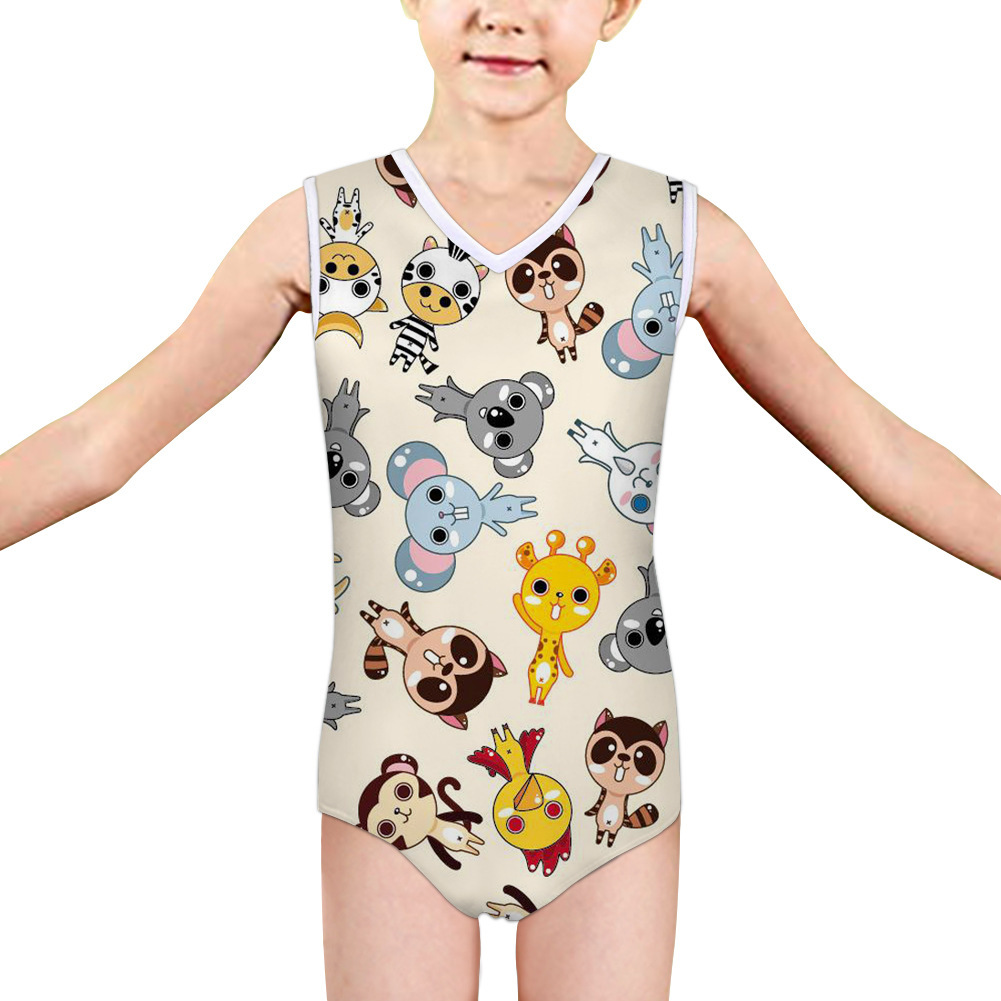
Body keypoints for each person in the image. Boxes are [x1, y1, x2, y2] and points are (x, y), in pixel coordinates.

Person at [2, 2, 999, 999]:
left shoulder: (676, 233)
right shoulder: (325, 227)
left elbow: (878, 450)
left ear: (616, 6)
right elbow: (100, 442)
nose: (503, 14)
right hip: (391, 771)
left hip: (612, 771)